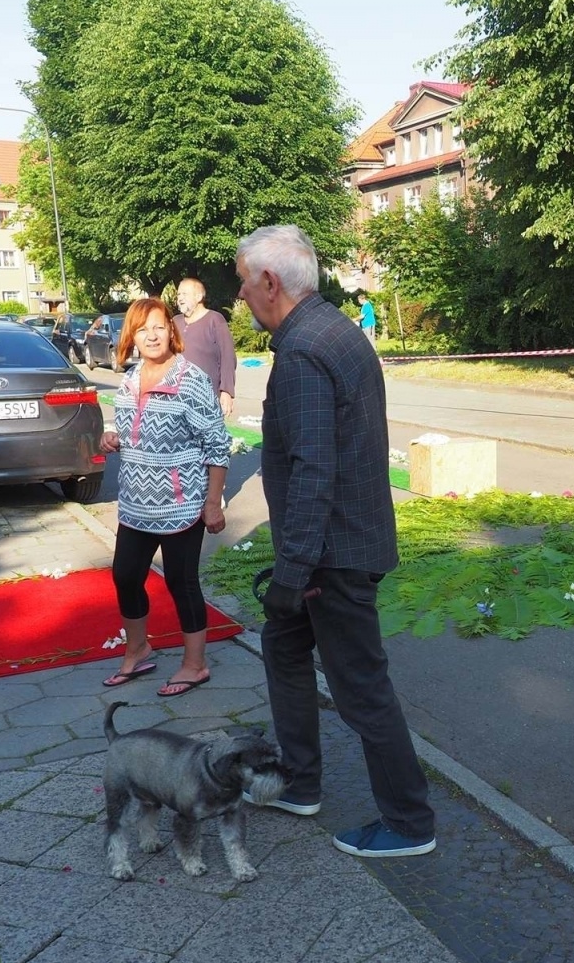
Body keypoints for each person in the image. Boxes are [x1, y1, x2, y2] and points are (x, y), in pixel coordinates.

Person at [235, 224, 436, 859]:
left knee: (361, 688)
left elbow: (314, 468)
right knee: (283, 648)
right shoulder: (333, 329)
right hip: (339, 542)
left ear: (270, 282)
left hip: (332, 555)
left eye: (242, 282)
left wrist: (294, 572)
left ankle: (409, 823)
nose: (239, 296)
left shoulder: (301, 352)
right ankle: (298, 782)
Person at [99, 297, 233, 697]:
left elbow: (217, 445)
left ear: (170, 331)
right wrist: (116, 439)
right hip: (137, 503)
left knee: (181, 582)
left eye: (159, 326)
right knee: (125, 575)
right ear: (132, 337)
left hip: (181, 502)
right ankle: (138, 649)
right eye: (143, 330)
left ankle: (195, 665)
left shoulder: (189, 380)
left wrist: (212, 503)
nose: (152, 335)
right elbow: (136, 429)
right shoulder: (130, 377)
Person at [174, 278, 238, 417]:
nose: (180, 298)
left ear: (199, 297)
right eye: (179, 295)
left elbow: (228, 356)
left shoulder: (215, 319)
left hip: (207, 397)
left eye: (185, 294)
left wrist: (226, 391)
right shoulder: (175, 322)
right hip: (177, 397)